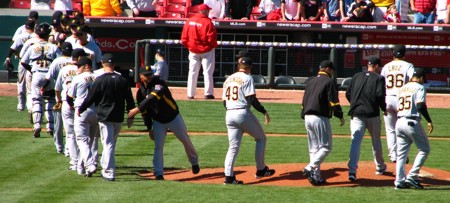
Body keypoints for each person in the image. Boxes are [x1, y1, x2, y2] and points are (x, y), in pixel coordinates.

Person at [127, 66, 200, 181]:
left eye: (150, 74)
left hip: (173, 117)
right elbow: (145, 113)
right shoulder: (140, 92)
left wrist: (137, 109)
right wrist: (149, 128)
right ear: (141, 76)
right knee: (158, 146)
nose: (149, 76)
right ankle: (159, 173)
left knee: (185, 139)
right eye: (146, 75)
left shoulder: (159, 83)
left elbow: (152, 98)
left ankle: (194, 162)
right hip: (158, 121)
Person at [78, 54, 135, 181]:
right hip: (118, 116)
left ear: (103, 64)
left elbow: (90, 98)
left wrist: (81, 109)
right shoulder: (123, 80)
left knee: (108, 144)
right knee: (111, 144)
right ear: (114, 65)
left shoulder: (99, 80)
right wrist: (131, 115)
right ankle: (106, 168)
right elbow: (130, 100)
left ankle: (109, 172)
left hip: (105, 117)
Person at [221, 57, 275, 184]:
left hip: (229, 113)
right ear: (249, 68)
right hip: (242, 112)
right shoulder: (247, 78)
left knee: (233, 147)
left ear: (238, 66)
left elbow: (224, 102)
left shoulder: (228, 79)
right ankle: (261, 169)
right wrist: (264, 112)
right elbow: (252, 100)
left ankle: (229, 177)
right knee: (261, 138)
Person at [301, 60, 345, 186]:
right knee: (326, 147)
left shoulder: (310, 81)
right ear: (327, 69)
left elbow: (304, 101)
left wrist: (303, 115)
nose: (333, 72)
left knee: (314, 149)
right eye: (332, 70)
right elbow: (333, 102)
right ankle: (309, 168)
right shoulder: (329, 81)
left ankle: (316, 177)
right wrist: (340, 115)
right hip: (320, 117)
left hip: (308, 117)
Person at [346, 57, 387, 182]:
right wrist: (383, 108)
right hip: (372, 114)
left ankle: (352, 171)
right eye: (379, 67)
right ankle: (380, 167)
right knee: (376, 141)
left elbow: (348, 93)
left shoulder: (356, 76)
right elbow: (380, 95)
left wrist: (355, 104)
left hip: (357, 114)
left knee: (355, 142)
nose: (379, 69)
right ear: (375, 66)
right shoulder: (379, 78)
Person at [21, 22, 62, 138]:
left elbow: (23, 62)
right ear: (49, 34)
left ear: (37, 33)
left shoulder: (32, 46)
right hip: (49, 76)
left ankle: (37, 125)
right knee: (50, 101)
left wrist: (32, 70)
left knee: (37, 101)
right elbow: (59, 62)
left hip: (37, 75)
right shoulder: (54, 47)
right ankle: (50, 126)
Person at [394, 68, 433, 190]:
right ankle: (412, 176)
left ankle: (399, 181)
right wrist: (429, 120)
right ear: (421, 78)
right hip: (412, 122)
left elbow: (397, 107)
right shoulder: (420, 87)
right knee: (424, 149)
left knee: (401, 155)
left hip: (399, 122)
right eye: (423, 80)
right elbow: (420, 105)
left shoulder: (401, 88)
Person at [380, 44, 415, 163]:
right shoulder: (408, 65)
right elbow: (413, 80)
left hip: (388, 98)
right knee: (402, 128)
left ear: (393, 54)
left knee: (390, 129)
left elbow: (380, 84)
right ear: (405, 54)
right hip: (402, 99)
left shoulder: (386, 66)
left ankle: (393, 155)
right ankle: (402, 154)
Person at [55, 48, 88, 171]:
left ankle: (74, 163)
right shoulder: (86, 71)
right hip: (83, 105)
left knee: (70, 134)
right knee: (84, 135)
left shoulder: (64, 69)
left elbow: (57, 88)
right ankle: (83, 162)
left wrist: (58, 100)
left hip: (67, 103)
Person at [67, 56, 98, 177]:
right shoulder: (98, 77)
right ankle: (81, 167)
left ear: (86, 66)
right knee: (88, 142)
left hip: (81, 111)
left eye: (79, 66)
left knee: (82, 140)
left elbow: (69, 97)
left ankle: (90, 165)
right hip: (96, 111)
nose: (77, 68)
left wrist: (72, 107)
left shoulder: (78, 78)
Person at [181, 4, 218, 100]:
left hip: (193, 50)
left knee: (192, 72)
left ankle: (190, 94)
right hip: (207, 51)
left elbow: (184, 38)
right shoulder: (207, 22)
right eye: (207, 10)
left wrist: (189, 46)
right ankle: (208, 94)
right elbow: (211, 38)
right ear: (203, 11)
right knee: (207, 72)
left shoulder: (190, 21)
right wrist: (213, 46)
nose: (208, 12)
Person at [43, 42, 73, 154]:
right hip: (75, 97)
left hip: (60, 95)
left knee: (58, 124)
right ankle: (70, 149)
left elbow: (49, 77)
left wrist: (43, 88)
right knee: (73, 125)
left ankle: (60, 147)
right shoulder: (77, 63)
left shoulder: (57, 61)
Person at [5, 20, 35, 112]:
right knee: (33, 84)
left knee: (21, 82)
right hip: (34, 63)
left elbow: (12, 48)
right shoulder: (36, 37)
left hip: (22, 62)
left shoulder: (21, 36)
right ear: (34, 27)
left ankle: (21, 104)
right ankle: (32, 105)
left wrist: (8, 57)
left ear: (26, 27)